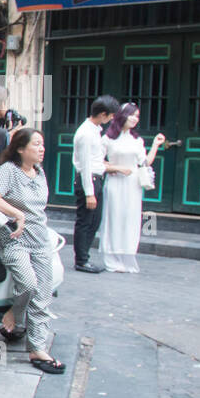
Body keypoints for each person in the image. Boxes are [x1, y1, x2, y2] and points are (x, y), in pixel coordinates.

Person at [0, 128, 65, 373]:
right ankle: (15, 314)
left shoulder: (39, 173)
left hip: (40, 240)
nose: (41, 149)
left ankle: (37, 349)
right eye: (36, 144)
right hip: (14, 238)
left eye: (42, 145)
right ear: (21, 148)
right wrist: (17, 213)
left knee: (43, 295)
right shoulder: (9, 171)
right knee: (28, 284)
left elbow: (39, 211)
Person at [99, 102, 167, 273]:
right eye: (133, 115)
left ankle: (128, 258)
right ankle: (112, 260)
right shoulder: (108, 138)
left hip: (133, 185)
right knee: (114, 218)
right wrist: (114, 168)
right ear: (123, 115)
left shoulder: (137, 140)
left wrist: (156, 145)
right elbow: (97, 161)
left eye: (137, 116)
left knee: (131, 219)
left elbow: (144, 162)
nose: (135, 119)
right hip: (115, 183)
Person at [70, 95, 119, 273]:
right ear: (103, 114)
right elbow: (85, 165)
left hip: (95, 178)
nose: (112, 119)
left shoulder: (94, 130)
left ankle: (84, 257)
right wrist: (89, 192)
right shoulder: (86, 133)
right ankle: (81, 260)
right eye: (111, 115)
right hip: (89, 179)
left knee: (94, 220)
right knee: (86, 221)